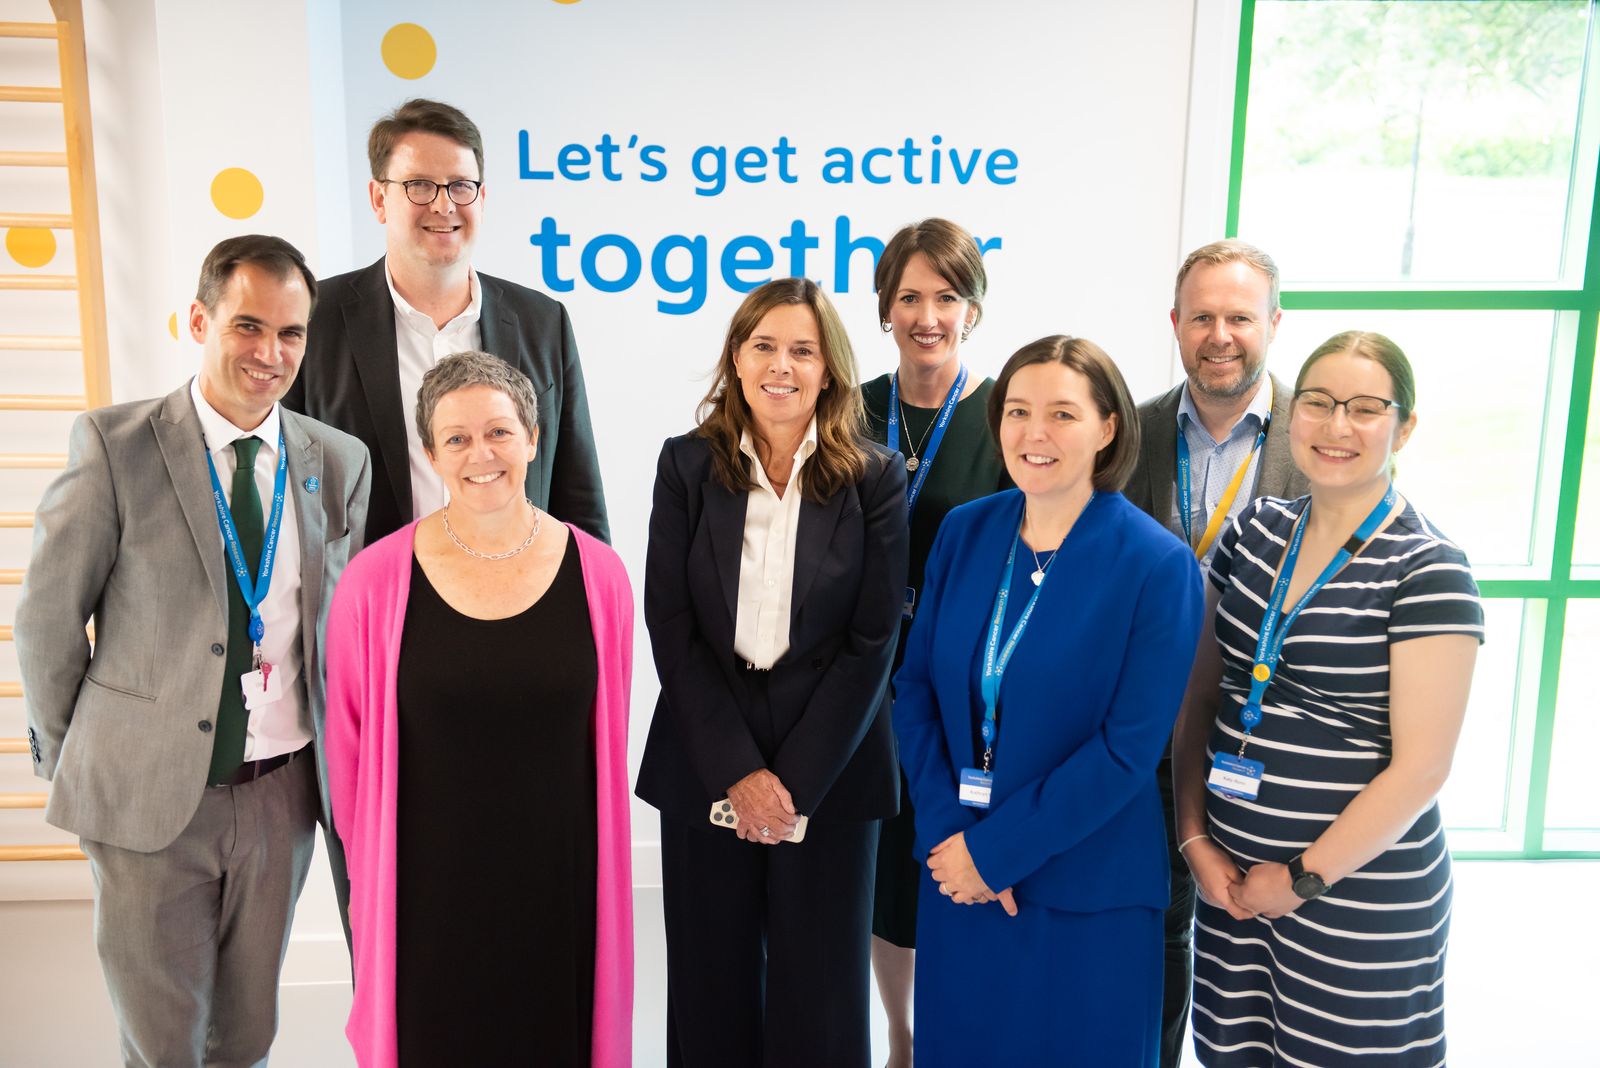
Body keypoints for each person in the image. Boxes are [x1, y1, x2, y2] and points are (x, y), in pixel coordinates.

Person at [15, 235, 371, 1067]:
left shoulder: (337, 459)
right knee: (164, 1040)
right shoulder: (115, 446)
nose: (269, 353)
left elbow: (338, 626)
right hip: (145, 798)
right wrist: (83, 763)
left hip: (281, 796)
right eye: (248, 326)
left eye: (291, 334)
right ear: (199, 320)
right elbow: (46, 620)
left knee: (246, 1034)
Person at [1172, 331, 1481, 1067]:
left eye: (1365, 408)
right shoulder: (1256, 532)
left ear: (1404, 427)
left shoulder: (1429, 568)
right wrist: (1194, 840)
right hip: (1234, 892)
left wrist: (1304, 877)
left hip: (1356, 903)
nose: (1336, 426)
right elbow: (1202, 695)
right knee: (1229, 1056)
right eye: (1316, 402)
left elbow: (1422, 770)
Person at [894, 335, 1204, 1067]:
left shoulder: (1159, 566)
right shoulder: (965, 532)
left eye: (1063, 414)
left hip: (1085, 895)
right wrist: (951, 841)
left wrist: (997, 852)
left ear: (1108, 428)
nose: (1035, 433)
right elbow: (915, 693)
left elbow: (1128, 750)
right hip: (959, 878)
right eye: (1019, 411)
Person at [322, 351, 633, 1068]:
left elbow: (606, 736)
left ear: (532, 437)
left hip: (561, 886)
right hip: (427, 892)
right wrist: (364, 893)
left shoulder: (600, 575)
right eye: (456, 438)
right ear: (430, 454)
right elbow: (349, 753)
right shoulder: (373, 583)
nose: (480, 454)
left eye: (498, 432)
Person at [635, 277, 909, 1067]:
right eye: (764, 346)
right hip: (704, 763)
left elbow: (871, 638)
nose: (781, 366)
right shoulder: (685, 465)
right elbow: (673, 626)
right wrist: (739, 772)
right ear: (736, 357)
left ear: (830, 369)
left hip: (832, 769)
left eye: (803, 349)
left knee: (821, 999)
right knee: (708, 989)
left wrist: (790, 782)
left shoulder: (875, 476)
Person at [1124, 238, 1309, 1067]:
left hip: (1264, 740)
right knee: (1158, 930)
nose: (1220, 335)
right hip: (1151, 731)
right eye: (1202, 317)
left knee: (1261, 945)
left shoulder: (1324, 436)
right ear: (1175, 324)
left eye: (1239, 316)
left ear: (1273, 323)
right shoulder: (1130, 431)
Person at [285, 98, 608, 546]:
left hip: (519, 600)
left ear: (482, 197)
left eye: (460, 186)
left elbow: (578, 496)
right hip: (373, 604)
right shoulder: (314, 321)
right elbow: (284, 498)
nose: (443, 205)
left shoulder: (542, 322)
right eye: (419, 185)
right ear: (379, 198)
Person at [859, 217, 1009, 1067]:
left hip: (960, 689)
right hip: (862, 682)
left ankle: (956, 1027)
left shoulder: (1003, 415)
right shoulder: (849, 406)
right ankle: (902, 1034)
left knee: (947, 858)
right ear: (885, 308)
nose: (927, 315)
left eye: (946, 297)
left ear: (973, 309)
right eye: (910, 296)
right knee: (883, 877)